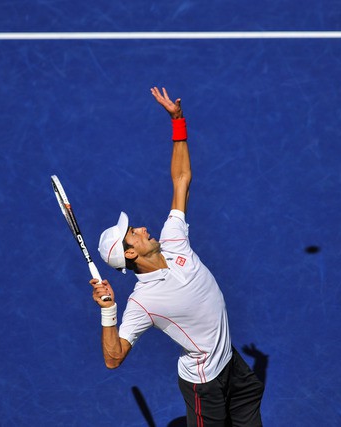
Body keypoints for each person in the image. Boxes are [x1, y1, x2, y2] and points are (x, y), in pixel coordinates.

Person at [90, 87, 264, 426]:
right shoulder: (144, 302)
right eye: (133, 233)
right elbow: (114, 359)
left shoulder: (173, 239)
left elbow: (181, 179)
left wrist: (178, 122)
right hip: (204, 386)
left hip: (233, 364)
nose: (141, 228)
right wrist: (109, 311)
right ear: (129, 253)